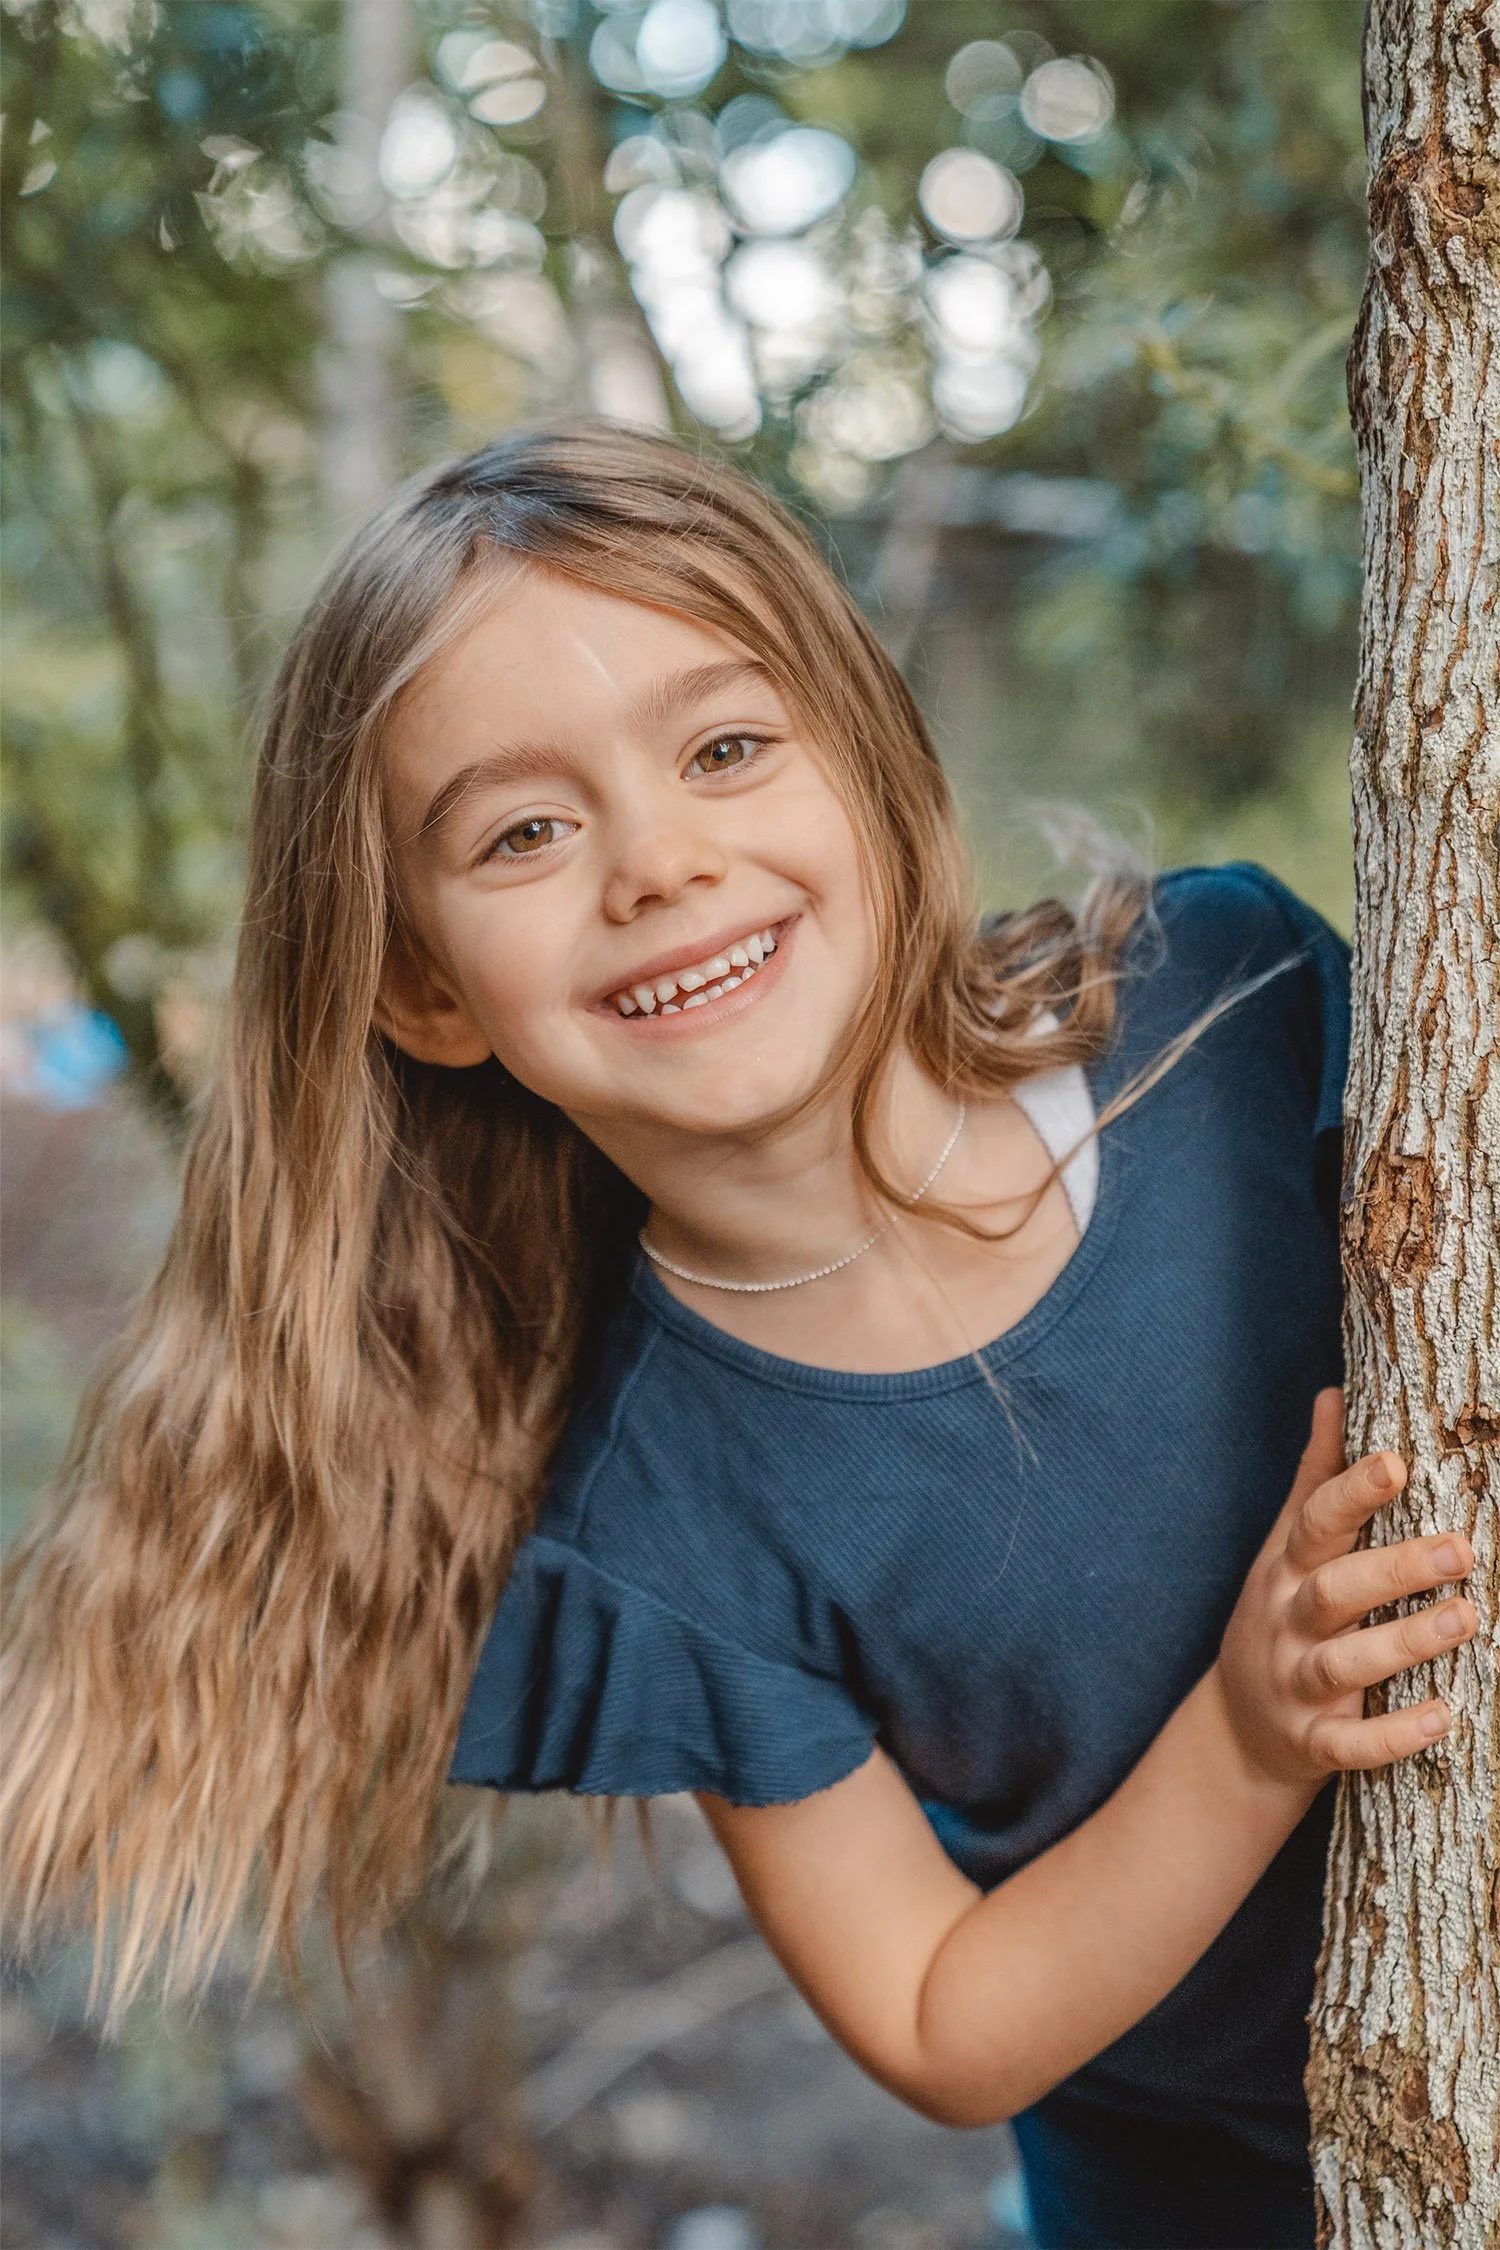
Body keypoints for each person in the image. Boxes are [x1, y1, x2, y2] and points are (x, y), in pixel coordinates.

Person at [1, 428, 1475, 2250]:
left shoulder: (1225, 1003)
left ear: (861, 760)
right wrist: (1252, 1734)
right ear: (426, 985)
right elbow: (938, 2013)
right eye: (526, 830)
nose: (659, 863)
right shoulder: (660, 1516)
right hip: (1221, 2206)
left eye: (722, 749)